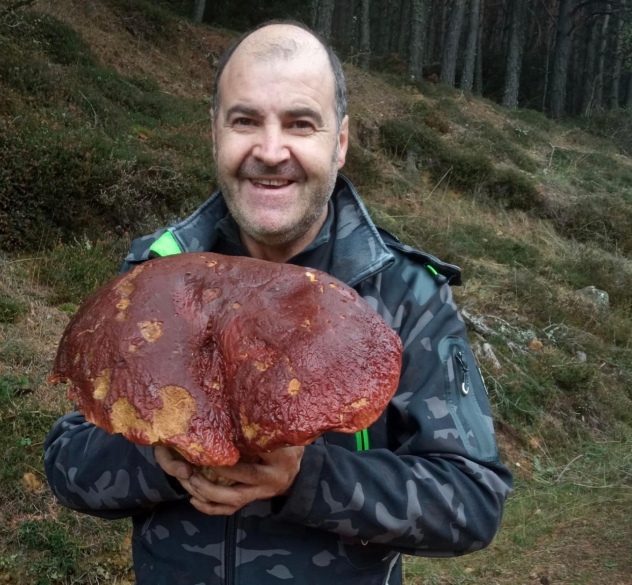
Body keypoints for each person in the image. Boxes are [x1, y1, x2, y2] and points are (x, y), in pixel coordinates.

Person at [44, 21, 513, 585]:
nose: (270, 151)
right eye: (245, 121)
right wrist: (159, 460)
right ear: (215, 133)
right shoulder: (154, 280)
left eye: (300, 124)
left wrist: (307, 478)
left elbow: (474, 501)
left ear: (339, 142)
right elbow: (67, 464)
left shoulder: (401, 292)